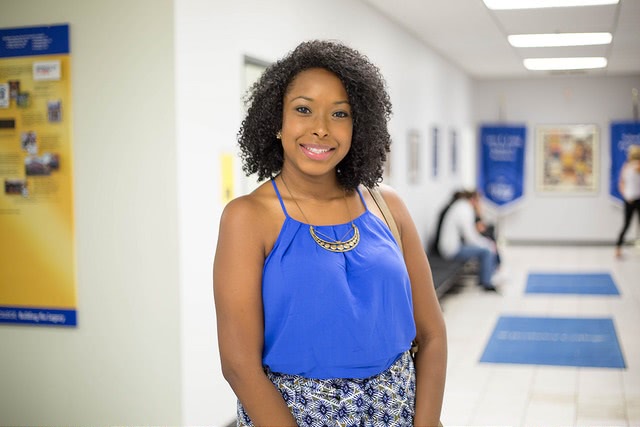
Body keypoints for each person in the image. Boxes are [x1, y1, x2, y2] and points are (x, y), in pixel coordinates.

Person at [213, 40, 446, 426]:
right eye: (303, 110)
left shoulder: (388, 208)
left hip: (399, 412)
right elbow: (239, 365)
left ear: (359, 126)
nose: (320, 129)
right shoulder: (247, 218)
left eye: (340, 114)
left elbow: (433, 334)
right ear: (276, 121)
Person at [435, 190, 500, 292]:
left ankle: (486, 276)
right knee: (487, 251)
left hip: (451, 246)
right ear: (473, 200)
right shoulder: (465, 210)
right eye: (478, 201)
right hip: (451, 250)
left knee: (486, 246)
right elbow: (470, 238)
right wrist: (487, 244)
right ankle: (486, 283)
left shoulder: (461, 206)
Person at [615, 144, 640, 258]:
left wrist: (625, 195)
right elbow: (621, 183)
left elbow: (621, 184)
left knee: (626, 224)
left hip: (632, 198)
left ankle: (618, 249)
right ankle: (618, 249)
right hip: (631, 198)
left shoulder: (627, 167)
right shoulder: (629, 167)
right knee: (626, 225)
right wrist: (626, 195)